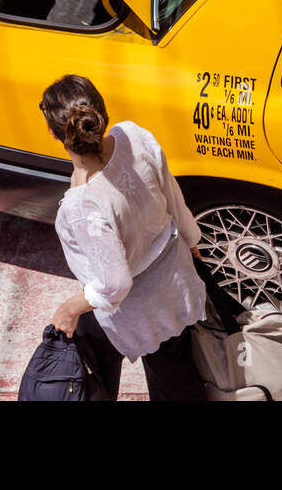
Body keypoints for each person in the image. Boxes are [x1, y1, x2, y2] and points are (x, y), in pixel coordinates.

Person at [41, 74, 208, 401]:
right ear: (100, 115)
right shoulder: (134, 135)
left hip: (136, 309)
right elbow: (173, 197)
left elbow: (114, 284)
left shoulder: (80, 207)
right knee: (171, 369)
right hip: (175, 276)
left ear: (52, 133)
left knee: (90, 362)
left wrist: (69, 308)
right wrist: (192, 244)